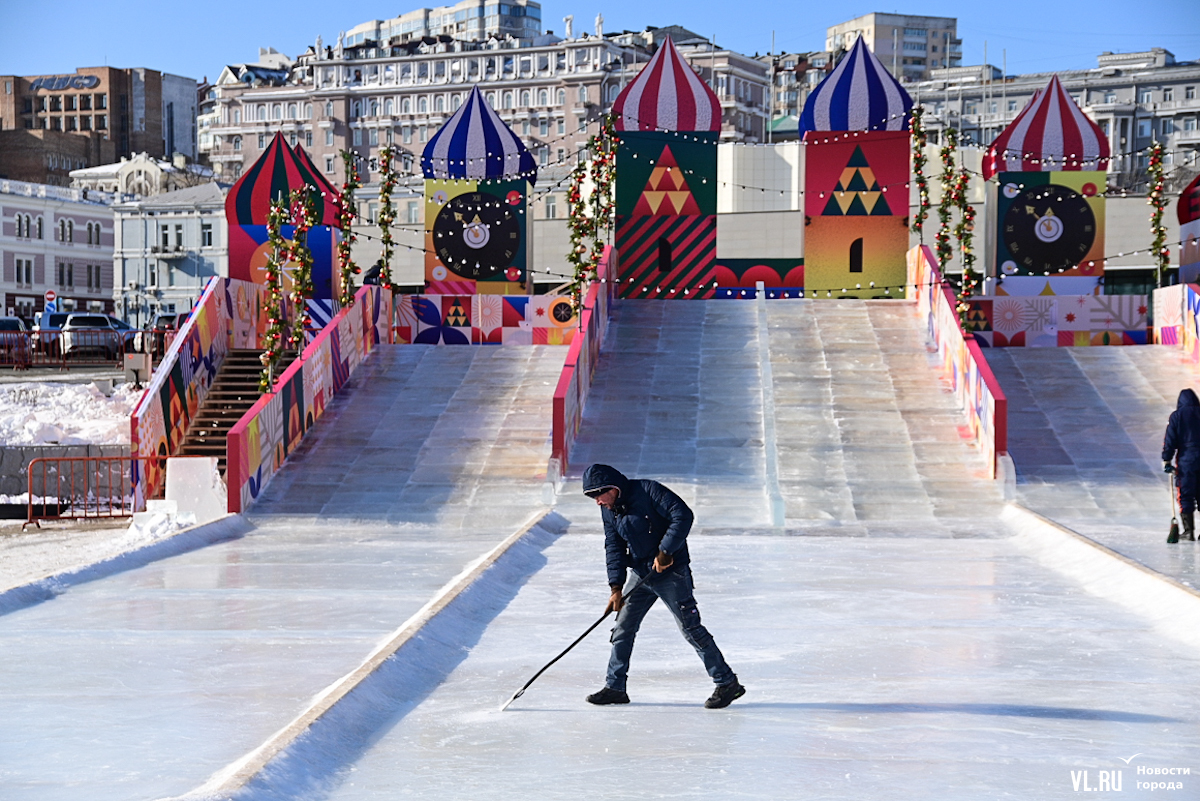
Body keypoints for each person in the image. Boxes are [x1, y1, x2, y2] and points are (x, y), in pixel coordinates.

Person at [581, 464, 744, 709]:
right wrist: (615, 587)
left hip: (671, 573)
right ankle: (615, 687)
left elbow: (682, 515)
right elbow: (613, 546)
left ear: (612, 489)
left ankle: (727, 682)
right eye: (592, 497)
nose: (597, 502)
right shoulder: (610, 510)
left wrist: (666, 551)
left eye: (598, 495)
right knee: (623, 628)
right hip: (641, 574)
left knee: (690, 628)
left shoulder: (648, 491)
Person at [1164, 389, 1200, 542]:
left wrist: (1167, 460)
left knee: (1185, 494)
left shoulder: (1177, 416)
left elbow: (1170, 440)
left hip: (1187, 460)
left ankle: (1189, 531)